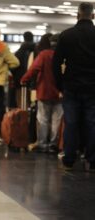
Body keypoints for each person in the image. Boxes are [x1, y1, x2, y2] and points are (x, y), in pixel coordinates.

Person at [53, 2, 95, 171]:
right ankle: (92, 161)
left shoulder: (66, 35)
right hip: (93, 87)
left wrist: (60, 84)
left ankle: (69, 160)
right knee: (92, 123)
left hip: (71, 86)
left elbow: (56, 64)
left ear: (77, 15)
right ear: (92, 16)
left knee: (71, 122)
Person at [21, 33, 63, 153]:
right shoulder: (64, 56)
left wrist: (24, 79)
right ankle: (53, 144)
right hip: (60, 93)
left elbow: (33, 69)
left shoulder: (44, 55)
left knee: (43, 118)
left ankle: (42, 143)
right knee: (56, 119)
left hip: (45, 91)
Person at [11, 31, 36, 108]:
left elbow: (13, 66)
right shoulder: (37, 51)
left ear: (24, 38)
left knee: (21, 102)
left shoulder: (19, 52)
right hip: (34, 81)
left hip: (20, 80)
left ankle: (23, 118)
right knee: (33, 102)